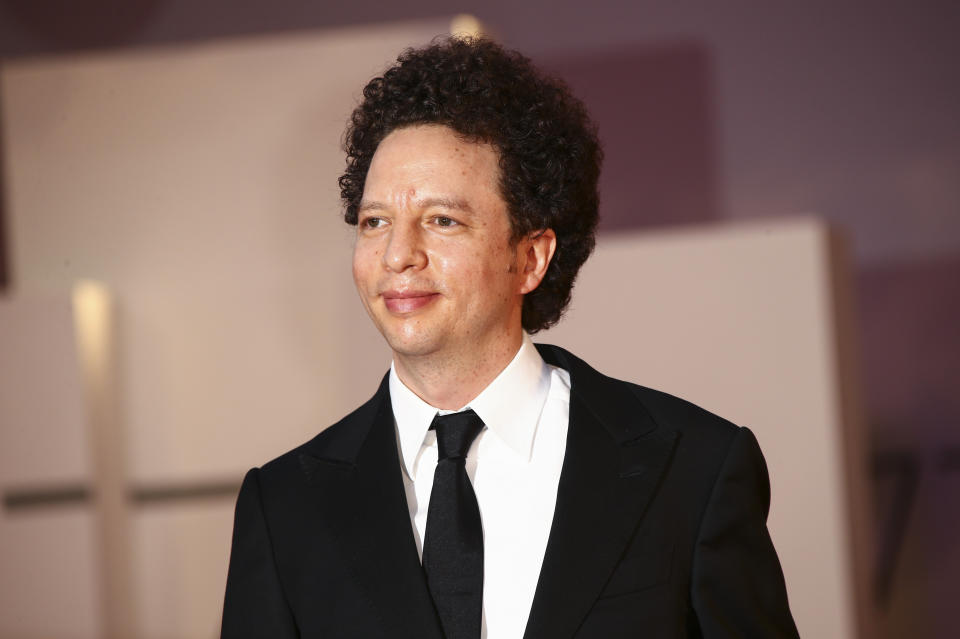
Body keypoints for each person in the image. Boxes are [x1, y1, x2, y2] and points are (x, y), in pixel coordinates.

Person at [221, 36, 800, 639]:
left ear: (530, 257)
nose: (398, 255)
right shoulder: (285, 506)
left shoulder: (692, 468)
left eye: (442, 221)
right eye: (375, 222)